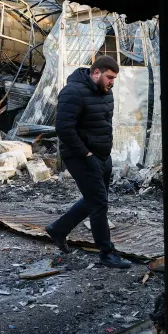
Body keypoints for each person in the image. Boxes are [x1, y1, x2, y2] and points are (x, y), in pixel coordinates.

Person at [45, 55, 131, 269]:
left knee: (95, 200)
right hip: (80, 156)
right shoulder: (72, 92)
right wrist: (87, 154)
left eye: (114, 79)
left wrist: (104, 153)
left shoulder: (106, 93)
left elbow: (102, 125)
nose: (112, 82)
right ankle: (107, 253)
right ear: (95, 73)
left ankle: (58, 229)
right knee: (99, 203)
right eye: (109, 77)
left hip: (102, 155)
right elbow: (64, 129)